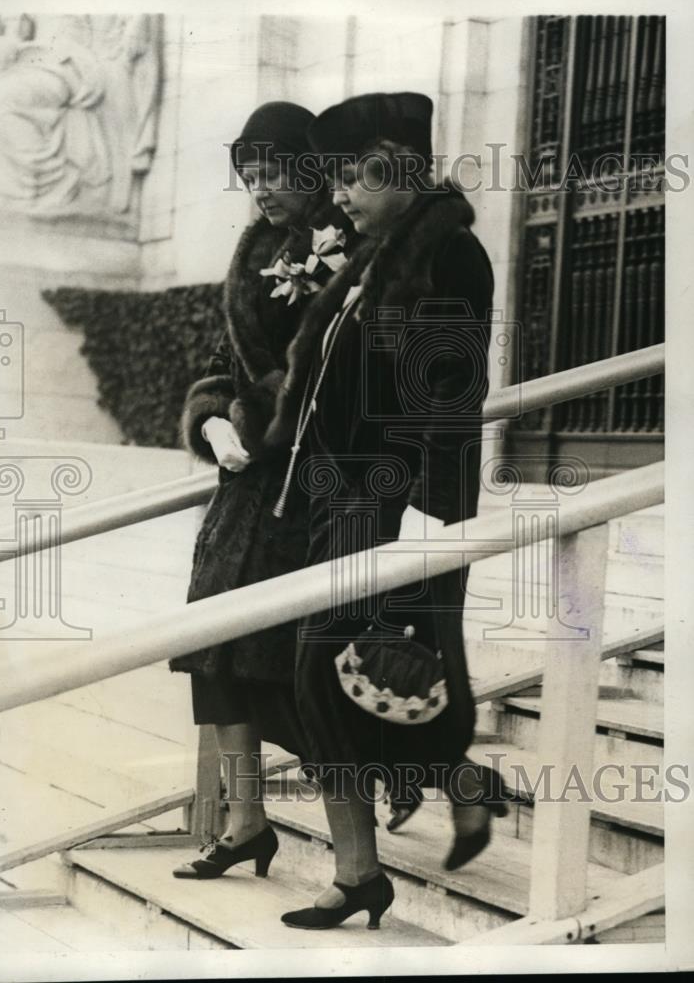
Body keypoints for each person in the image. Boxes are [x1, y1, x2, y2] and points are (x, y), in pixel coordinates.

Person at [264, 92, 508, 930]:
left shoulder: (449, 256)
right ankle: (426, 814)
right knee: (331, 681)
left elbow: (450, 396)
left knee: (347, 672)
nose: (338, 195)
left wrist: (433, 521)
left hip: (396, 503)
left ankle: (375, 858)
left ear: (397, 167)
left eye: (350, 175)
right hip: (346, 501)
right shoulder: (376, 255)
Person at [169, 101, 354, 880]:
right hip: (245, 492)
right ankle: (247, 823)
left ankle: (378, 835)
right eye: (250, 174)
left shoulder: (348, 242)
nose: (262, 188)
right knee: (217, 655)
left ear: (310, 169)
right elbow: (224, 359)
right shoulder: (254, 249)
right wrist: (212, 421)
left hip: (310, 489)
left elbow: (347, 368)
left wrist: (272, 414)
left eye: (275, 171)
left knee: (297, 670)